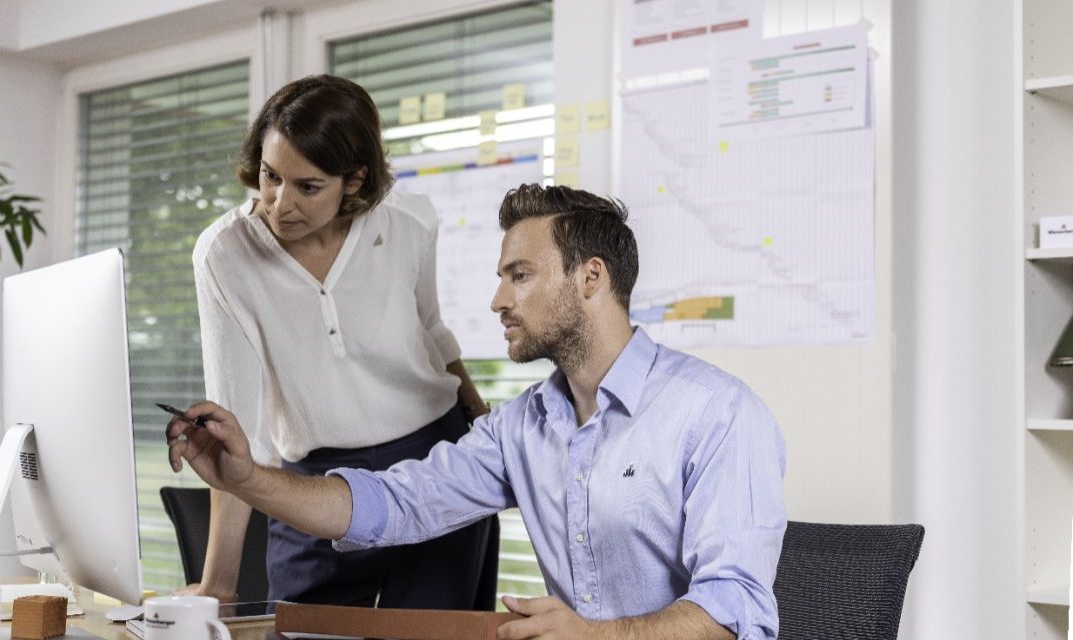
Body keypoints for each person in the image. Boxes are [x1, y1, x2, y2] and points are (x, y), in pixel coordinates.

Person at [170, 184, 787, 639]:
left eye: (520, 275)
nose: (497, 300)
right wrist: (246, 478)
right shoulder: (523, 428)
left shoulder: (717, 413)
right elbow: (391, 505)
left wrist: (596, 635)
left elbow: (735, 609)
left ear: (591, 278)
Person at [183, 74, 497, 609]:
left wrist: (479, 422)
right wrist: (219, 586)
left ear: (354, 180)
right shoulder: (224, 255)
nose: (280, 204)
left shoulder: (408, 220)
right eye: (270, 176)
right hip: (311, 484)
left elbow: (432, 330)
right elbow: (234, 428)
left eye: (308, 187)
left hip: (430, 461)